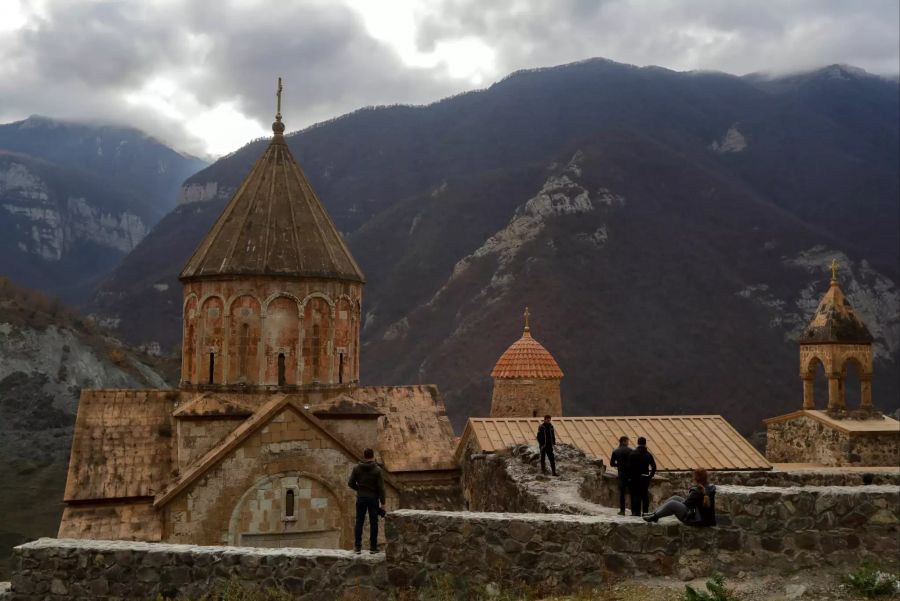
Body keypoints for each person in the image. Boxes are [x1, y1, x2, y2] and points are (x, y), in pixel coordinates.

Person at [643, 468, 717, 526]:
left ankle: (655, 517)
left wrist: (679, 504)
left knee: (672, 503)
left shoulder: (697, 490)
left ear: (696, 479)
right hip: (704, 518)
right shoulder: (710, 487)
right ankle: (655, 513)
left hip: (697, 519)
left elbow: (687, 504)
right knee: (675, 498)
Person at [347, 448, 386, 553]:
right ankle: (373, 548)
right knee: (374, 523)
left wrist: (359, 489)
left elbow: (350, 483)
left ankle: (357, 547)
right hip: (373, 499)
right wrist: (383, 503)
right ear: (373, 456)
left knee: (359, 521)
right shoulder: (377, 470)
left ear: (364, 456)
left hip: (361, 498)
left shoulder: (356, 468)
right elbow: (381, 488)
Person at [628, 436, 656, 516]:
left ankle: (635, 512)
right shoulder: (648, 454)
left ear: (638, 443)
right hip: (645, 477)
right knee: (644, 495)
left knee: (635, 494)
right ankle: (645, 512)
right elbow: (653, 466)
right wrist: (650, 476)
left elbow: (629, 467)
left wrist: (630, 477)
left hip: (634, 477)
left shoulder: (632, 453)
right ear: (645, 443)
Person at [609, 436, 632, 515]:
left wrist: (618, 464)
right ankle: (634, 511)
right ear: (624, 441)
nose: (628, 443)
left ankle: (622, 511)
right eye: (627, 441)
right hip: (630, 473)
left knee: (622, 493)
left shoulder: (615, 451)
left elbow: (612, 463)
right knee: (632, 492)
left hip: (621, 473)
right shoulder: (630, 450)